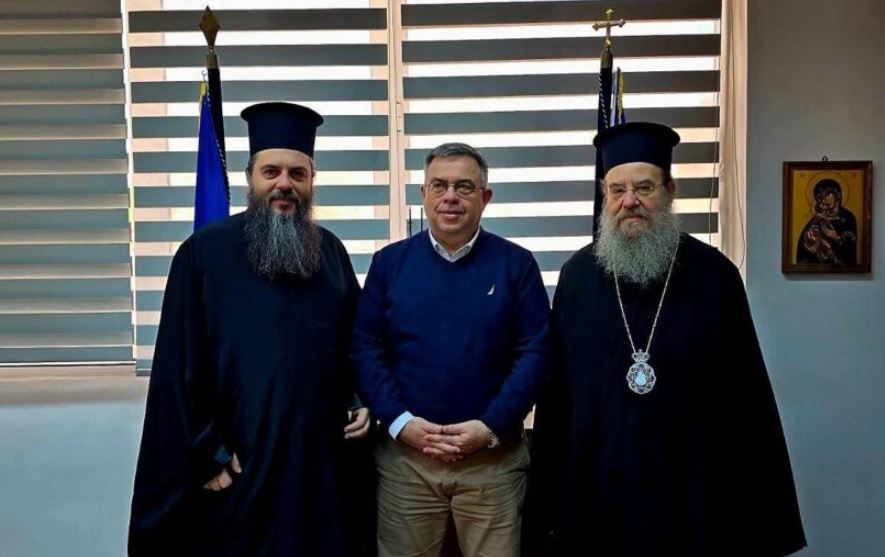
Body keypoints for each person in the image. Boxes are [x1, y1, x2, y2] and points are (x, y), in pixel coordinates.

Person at [526, 122, 806, 556]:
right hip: (601, 489)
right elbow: (558, 397)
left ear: (670, 190)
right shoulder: (577, 277)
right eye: (617, 190)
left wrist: (762, 519)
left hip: (693, 487)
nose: (629, 201)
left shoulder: (715, 276)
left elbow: (747, 395)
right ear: (604, 195)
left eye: (644, 187)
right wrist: (547, 510)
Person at [128, 102, 375, 556]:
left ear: (311, 181)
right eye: (271, 172)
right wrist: (208, 454)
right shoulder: (203, 255)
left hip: (316, 469)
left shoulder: (331, 254)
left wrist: (361, 399)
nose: (285, 184)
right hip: (240, 468)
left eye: (298, 174)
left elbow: (355, 346)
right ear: (251, 179)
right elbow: (178, 371)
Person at [352, 143, 549, 557]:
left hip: (493, 463)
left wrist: (491, 426)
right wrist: (400, 422)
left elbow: (535, 353)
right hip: (407, 463)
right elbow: (367, 348)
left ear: (485, 197)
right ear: (423, 194)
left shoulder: (517, 265)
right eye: (439, 185)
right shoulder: (389, 264)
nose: (450, 197)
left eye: (464, 187)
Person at [797, 178, 858, 264]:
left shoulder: (848, 217)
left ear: (837, 195)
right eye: (820, 197)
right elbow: (803, 250)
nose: (824, 199)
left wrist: (835, 237)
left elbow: (851, 251)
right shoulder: (818, 218)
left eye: (827, 194)